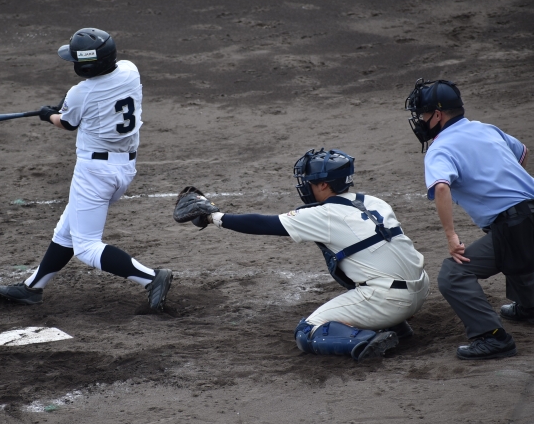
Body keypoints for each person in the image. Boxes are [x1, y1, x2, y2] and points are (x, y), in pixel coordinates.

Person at [178, 148, 429, 360]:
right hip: (421, 287)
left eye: (309, 180)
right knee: (369, 260)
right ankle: (397, 325)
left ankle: (369, 339)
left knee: (308, 331)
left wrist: (213, 217)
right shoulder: (375, 202)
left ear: (323, 184)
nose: (305, 185)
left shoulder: (324, 215)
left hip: (389, 300)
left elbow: (264, 224)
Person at [0, 28, 172, 310]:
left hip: (94, 173)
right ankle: (32, 288)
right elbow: (89, 103)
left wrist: (48, 115)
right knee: (66, 231)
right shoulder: (130, 70)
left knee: (86, 247)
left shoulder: (80, 93)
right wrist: (63, 108)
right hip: (124, 167)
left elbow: (67, 122)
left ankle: (151, 278)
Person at [405, 78, 534, 360]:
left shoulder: (440, 148)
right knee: (506, 242)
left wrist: (451, 236)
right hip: (526, 217)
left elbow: (441, 187)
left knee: (454, 274)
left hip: (517, 226)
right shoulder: (486, 128)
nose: (421, 121)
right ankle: (529, 306)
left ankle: (492, 337)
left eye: (423, 114)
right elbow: (521, 152)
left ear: (437, 115)